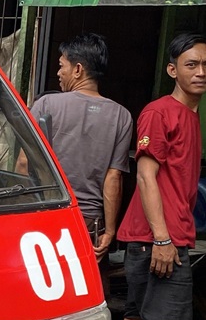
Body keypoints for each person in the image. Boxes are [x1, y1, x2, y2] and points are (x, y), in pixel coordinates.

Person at [113, 33, 206, 320]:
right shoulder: (159, 112)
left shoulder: (190, 115)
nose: (201, 72)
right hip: (160, 237)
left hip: (150, 236)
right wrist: (164, 239)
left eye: (205, 65)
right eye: (191, 64)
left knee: (135, 315)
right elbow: (146, 175)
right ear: (172, 69)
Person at [27, 33, 133, 260]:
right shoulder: (121, 116)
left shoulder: (47, 104)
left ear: (77, 70)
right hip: (91, 224)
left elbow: (25, 163)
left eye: (61, 66)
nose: (58, 73)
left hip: (48, 214)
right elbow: (113, 178)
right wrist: (110, 231)